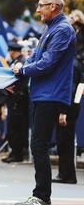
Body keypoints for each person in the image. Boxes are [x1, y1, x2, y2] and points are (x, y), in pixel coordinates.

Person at [14, 0, 76, 205]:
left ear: (54, 7)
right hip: (43, 94)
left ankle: (42, 196)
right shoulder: (51, 28)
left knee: (39, 145)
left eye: (41, 5)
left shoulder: (63, 29)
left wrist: (23, 71)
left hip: (51, 95)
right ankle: (41, 195)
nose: (37, 9)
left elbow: (47, 62)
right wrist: (22, 66)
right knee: (38, 145)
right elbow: (35, 57)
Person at [51, 12, 84, 184]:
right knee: (64, 141)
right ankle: (66, 174)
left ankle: (66, 174)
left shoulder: (72, 64)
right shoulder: (74, 62)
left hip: (68, 107)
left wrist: (63, 111)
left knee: (65, 142)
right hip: (70, 106)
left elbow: (70, 89)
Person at [2, 41, 29, 163]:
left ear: (12, 51)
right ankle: (15, 152)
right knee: (15, 127)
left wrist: (10, 89)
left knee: (16, 127)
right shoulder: (18, 61)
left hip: (17, 100)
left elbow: (19, 83)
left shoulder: (19, 63)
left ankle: (16, 154)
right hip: (16, 99)